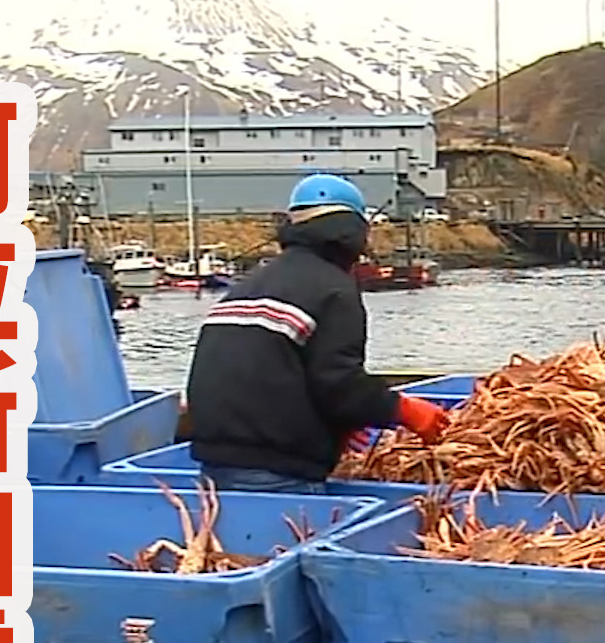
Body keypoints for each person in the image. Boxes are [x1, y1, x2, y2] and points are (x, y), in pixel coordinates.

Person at [184, 174, 449, 493]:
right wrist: (406, 410)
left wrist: (341, 423)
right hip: (276, 470)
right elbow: (338, 382)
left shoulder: (249, 285)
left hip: (213, 462)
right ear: (353, 233)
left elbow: (270, 371)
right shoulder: (333, 289)